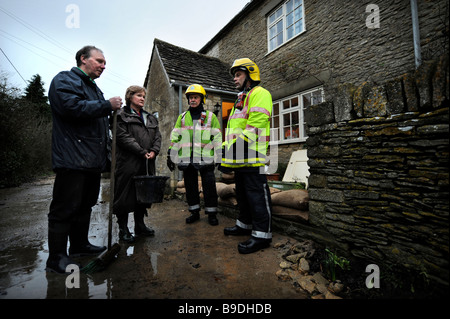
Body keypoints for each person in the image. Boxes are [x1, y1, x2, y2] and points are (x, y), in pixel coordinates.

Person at [46, 45, 122, 273]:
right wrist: (106, 105)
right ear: (83, 59)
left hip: (91, 161)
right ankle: (56, 257)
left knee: (85, 205)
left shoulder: (94, 89)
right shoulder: (66, 80)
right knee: (65, 207)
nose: (103, 65)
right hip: (72, 158)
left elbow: (96, 120)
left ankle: (79, 245)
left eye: (104, 62)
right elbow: (71, 108)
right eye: (99, 61)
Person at [220, 58, 273, 254]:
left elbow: (256, 125)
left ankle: (261, 235)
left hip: (252, 155)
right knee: (242, 193)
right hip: (240, 157)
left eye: (238, 74)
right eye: (234, 75)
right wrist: (225, 153)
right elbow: (232, 130)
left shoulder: (260, 93)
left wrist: (235, 148)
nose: (235, 79)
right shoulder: (240, 99)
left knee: (257, 194)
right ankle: (244, 225)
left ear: (250, 75)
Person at [167, 84, 222, 225]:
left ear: (201, 99)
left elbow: (216, 137)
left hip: (206, 157)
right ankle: (194, 212)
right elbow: (176, 137)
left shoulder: (211, 117)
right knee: (190, 186)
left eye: (196, 97)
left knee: (209, 186)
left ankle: (211, 214)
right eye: (191, 97)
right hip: (187, 157)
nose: (193, 100)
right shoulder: (183, 117)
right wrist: (170, 153)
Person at [113, 85, 161, 243]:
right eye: (139, 95)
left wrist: (154, 150)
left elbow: (157, 136)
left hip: (147, 162)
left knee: (143, 195)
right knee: (124, 195)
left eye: (143, 96)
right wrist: (141, 151)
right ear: (129, 97)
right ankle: (123, 229)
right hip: (128, 163)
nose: (142, 98)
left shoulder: (150, 117)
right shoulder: (121, 115)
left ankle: (140, 225)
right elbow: (122, 137)